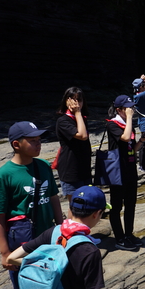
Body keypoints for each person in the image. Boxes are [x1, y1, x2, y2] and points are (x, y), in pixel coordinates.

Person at [0, 121, 63, 289]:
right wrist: (4, 253)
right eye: (32, 140)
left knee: (53, 277)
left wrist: (62, 228)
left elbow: (53, 198)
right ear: (16, 144)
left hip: (47, 232)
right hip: (21, 237)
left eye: (39, 139)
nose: (38, 143)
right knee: (22, 285)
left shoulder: (43, 167)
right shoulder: (3, 176)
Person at [106, 95, 145, 251]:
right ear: (119, 110)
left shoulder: (128, 124)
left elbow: (131, 148)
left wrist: (141, 141)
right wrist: (129, 118)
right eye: (128, 108)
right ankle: (119, 237)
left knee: (131, 204)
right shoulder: (112, 124)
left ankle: (129, 234)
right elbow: (125, 137)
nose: (132, 110)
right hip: (117, 171)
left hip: (129, 169)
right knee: (116, 206)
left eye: (132, 107)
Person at [56, 87, 91, 217]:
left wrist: (79, 115)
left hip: (83, 167)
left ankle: (82, 232)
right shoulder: (63, 121)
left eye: (79, 100)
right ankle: (70, 235)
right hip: (70, 169)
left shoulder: (82, 119)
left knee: (85, 201)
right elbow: (82, 135)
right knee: (75, 204)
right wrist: (77, 113)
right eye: (73, 100)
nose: (76, 104)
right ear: (66, 101)